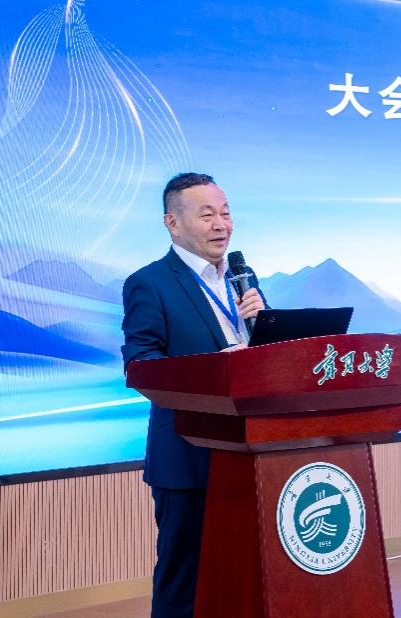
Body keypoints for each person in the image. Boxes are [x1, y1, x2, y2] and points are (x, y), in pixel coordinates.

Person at [121, 172, 267, 617]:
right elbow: (141, 365)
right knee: (185, 581)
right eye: (207, 215)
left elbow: (268, 361)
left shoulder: (243, 279)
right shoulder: (150, 283)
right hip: (188, 455)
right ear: (172, 222)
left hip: (254, 452)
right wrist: (214, 369)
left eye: (226, 213)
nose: (222, 224)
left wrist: (266, 324)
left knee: (247, 573)